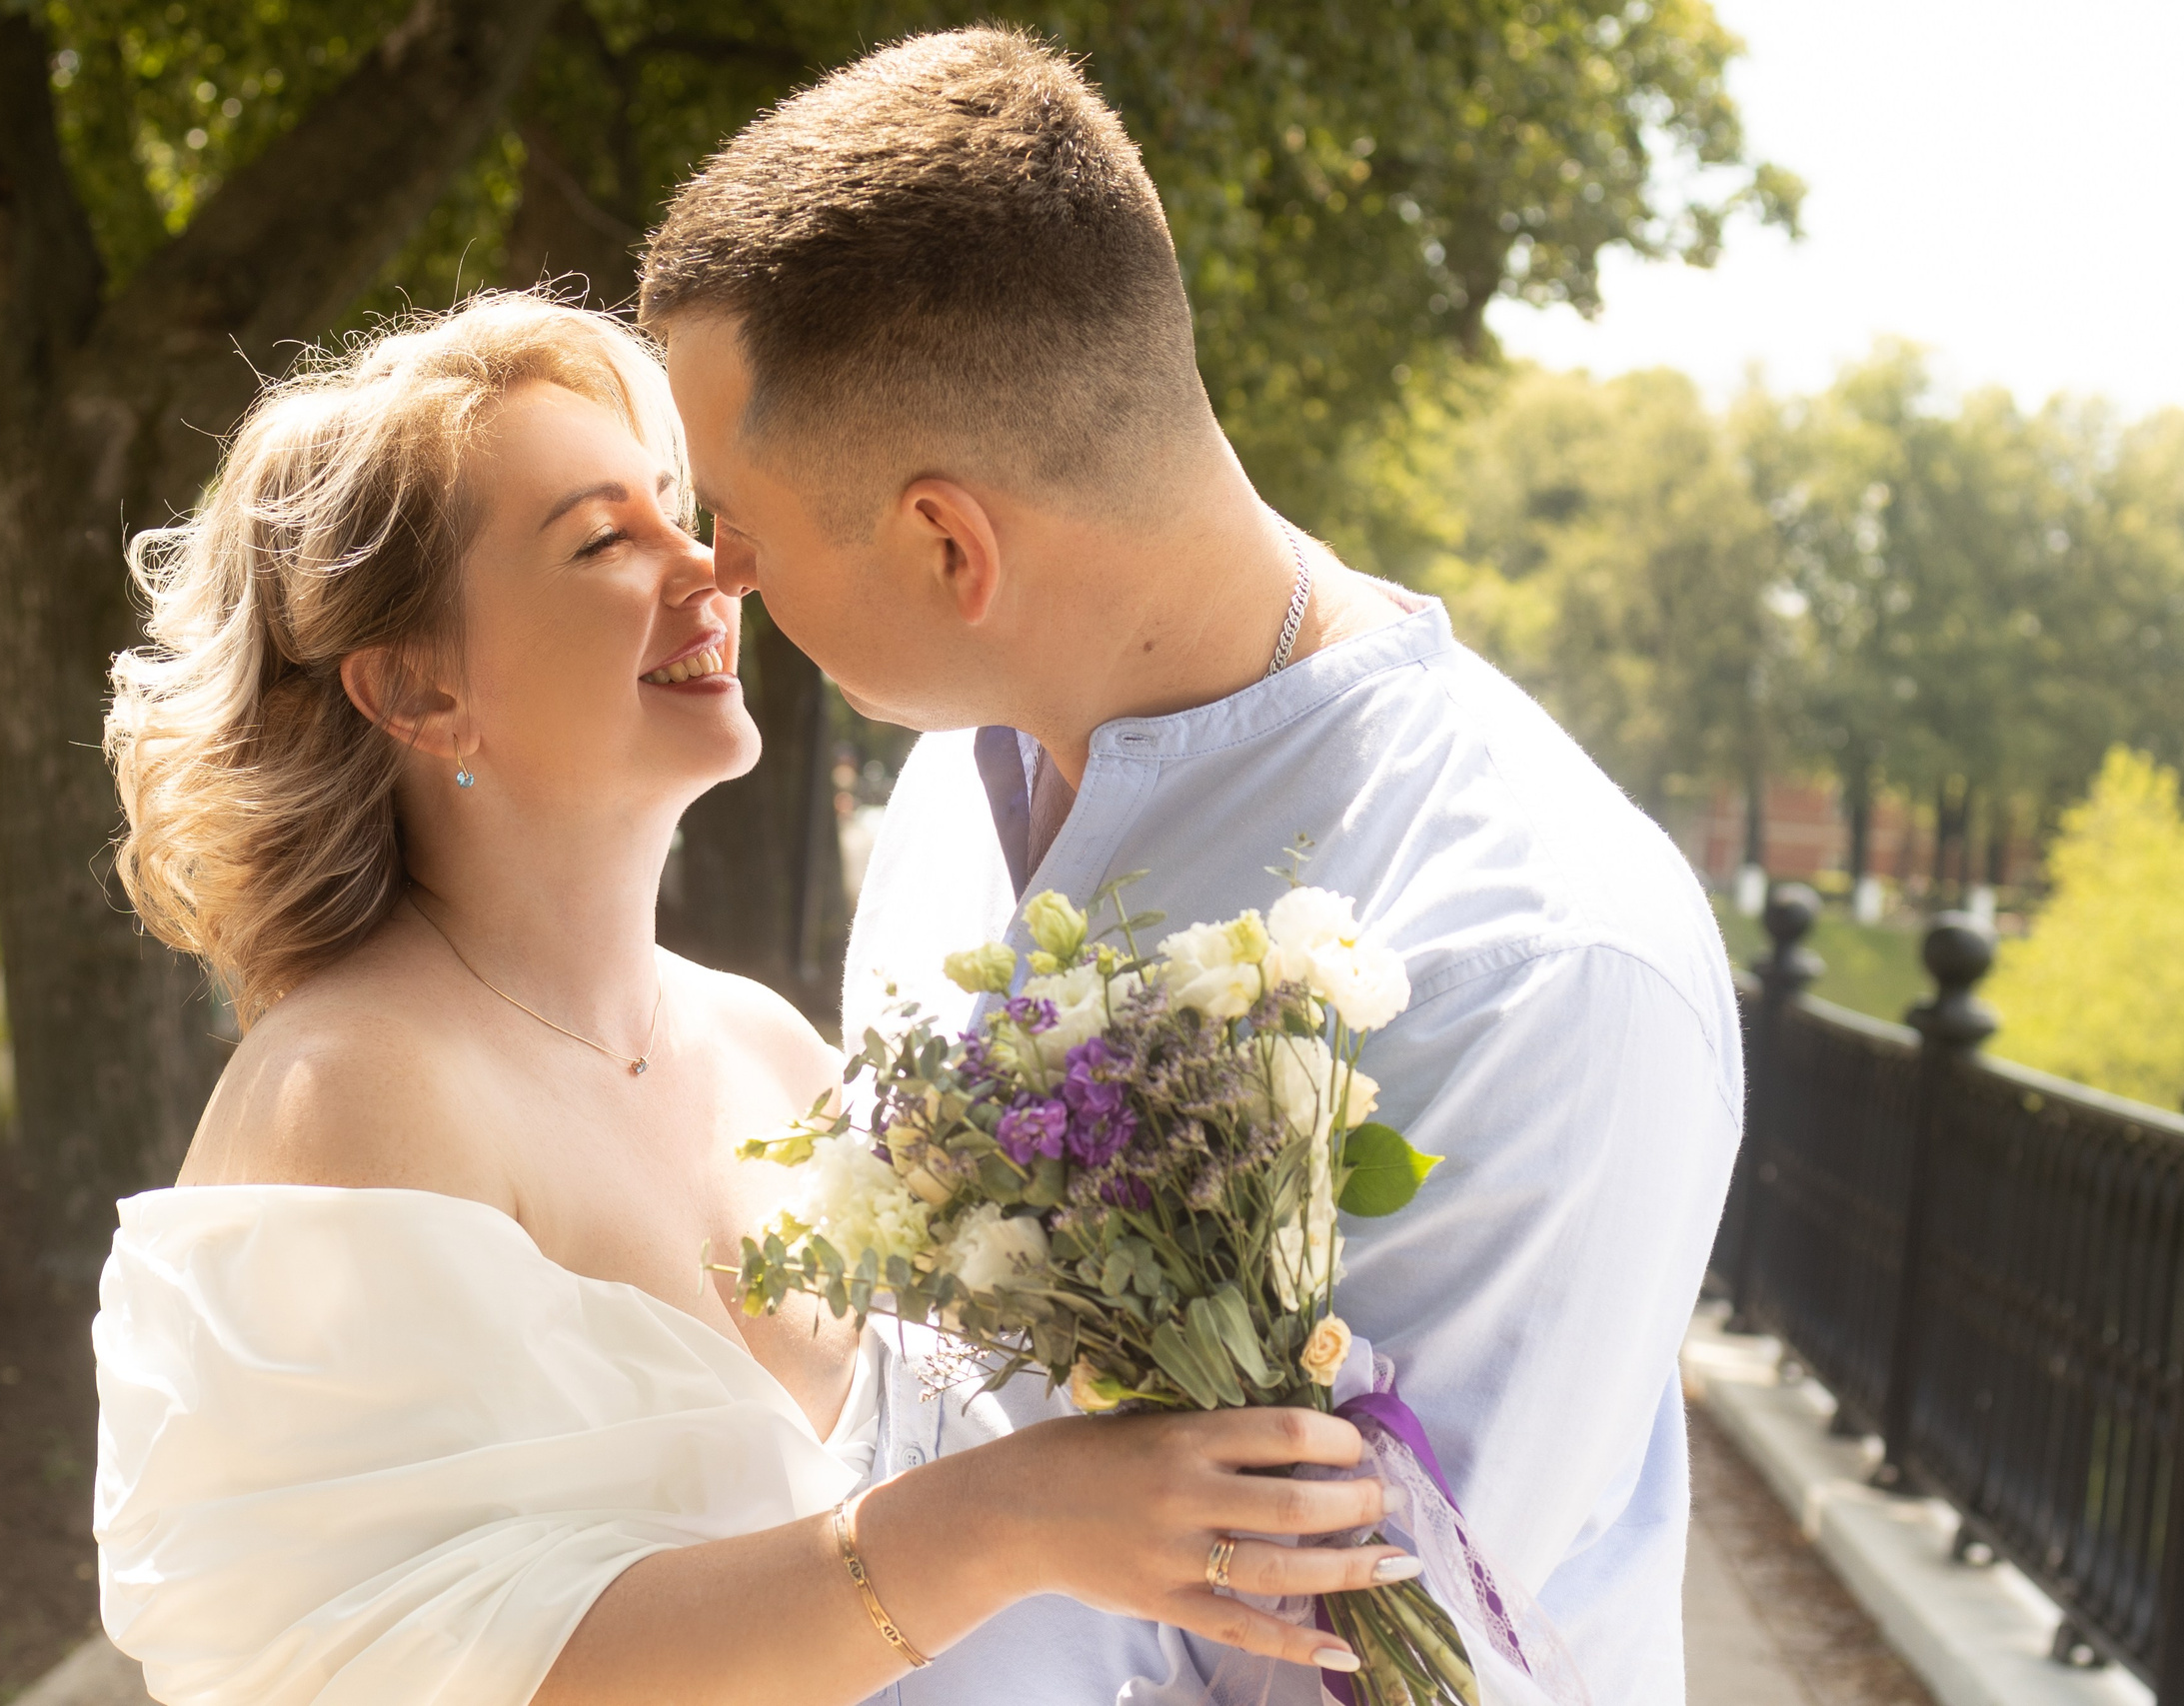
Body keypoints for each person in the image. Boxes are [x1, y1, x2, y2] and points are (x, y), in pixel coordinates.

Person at [91, 292, 1412, 1706]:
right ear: (417, 690)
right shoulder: (355, 1091)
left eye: (681, 512)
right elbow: (385, 1664)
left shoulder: (771, 1052)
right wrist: (1002, 1522)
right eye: (604, 540)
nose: (713, 566)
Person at [641, 26, 1743, 1706]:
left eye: (742, 516)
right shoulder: (946, 793)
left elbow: (1377, 1655)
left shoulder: (1533, 959)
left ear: (948, 544)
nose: (716, 569)